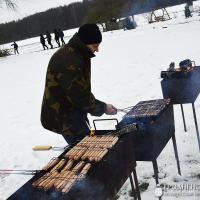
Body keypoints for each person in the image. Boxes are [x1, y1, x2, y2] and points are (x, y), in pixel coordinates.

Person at [41, 24, 117, 145]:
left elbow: (80, 89)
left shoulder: (77, 53)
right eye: (95, 46)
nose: (97, 50)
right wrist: (103, 107)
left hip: (73, 112)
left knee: (89, 137)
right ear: (84, 43)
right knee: (86, 147)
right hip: (63, 117)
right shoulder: (69, 60)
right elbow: (79, 96)